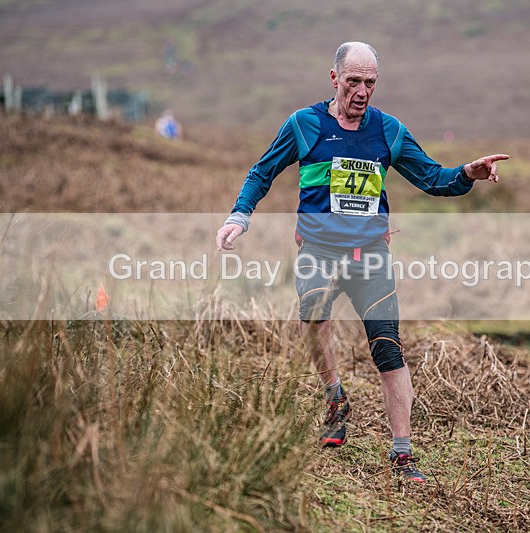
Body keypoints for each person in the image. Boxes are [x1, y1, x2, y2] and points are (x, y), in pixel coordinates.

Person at [216, 42, 508, 483]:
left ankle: (403, 454)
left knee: (387, 347)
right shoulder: (304, 124)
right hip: (318, 251)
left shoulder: (389, 131)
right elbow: (262, 173)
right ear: (334, 78)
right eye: (353, 81)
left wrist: (468, 173)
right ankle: (334, 397)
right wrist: (240, 216)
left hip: (371, 256)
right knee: (312, 316)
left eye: (370, 83)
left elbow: (432, 179)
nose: (362, 91)